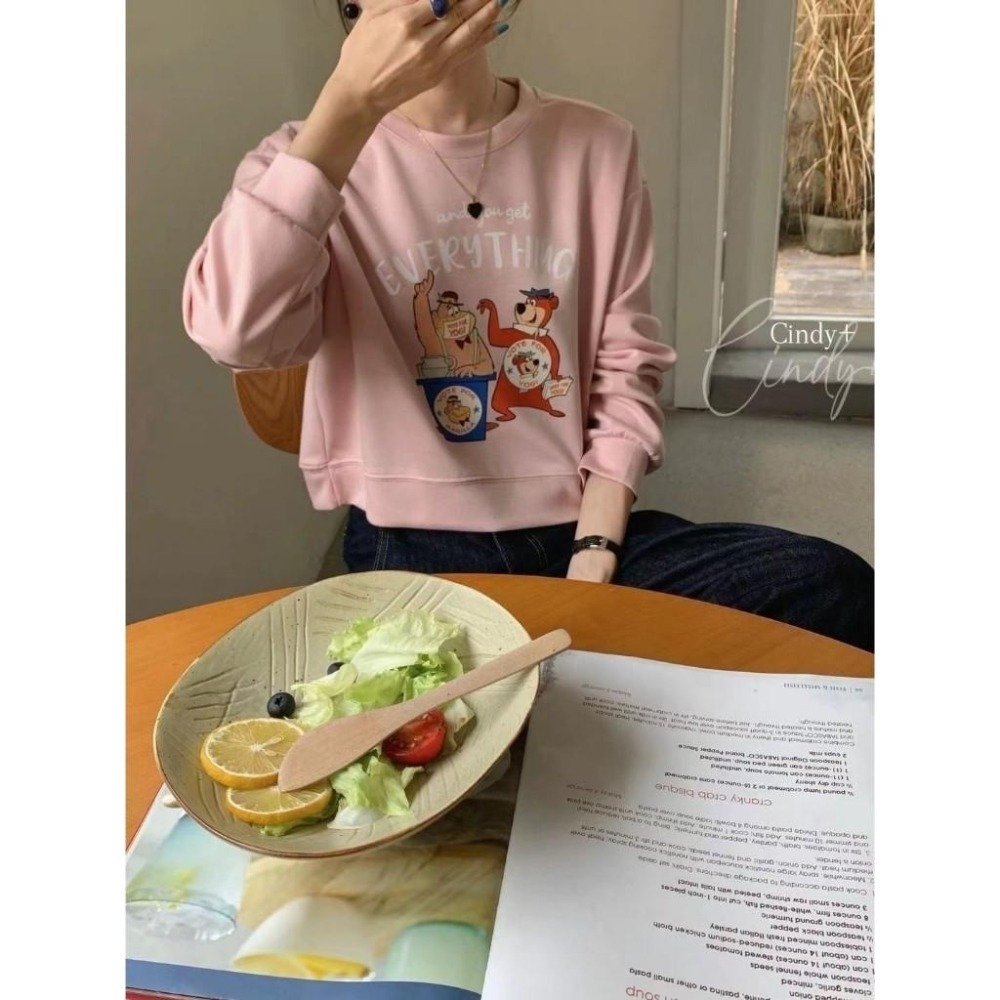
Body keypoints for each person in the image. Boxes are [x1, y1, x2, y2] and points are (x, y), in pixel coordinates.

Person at [182, 0, 874, 652]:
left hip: (580, 532)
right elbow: (237, 333)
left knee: (832, 586)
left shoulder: (598, 145)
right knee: (463, 719)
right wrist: (346, 108)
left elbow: (625, 368)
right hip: (407, 555)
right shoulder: (302, 160)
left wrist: (594, 559)